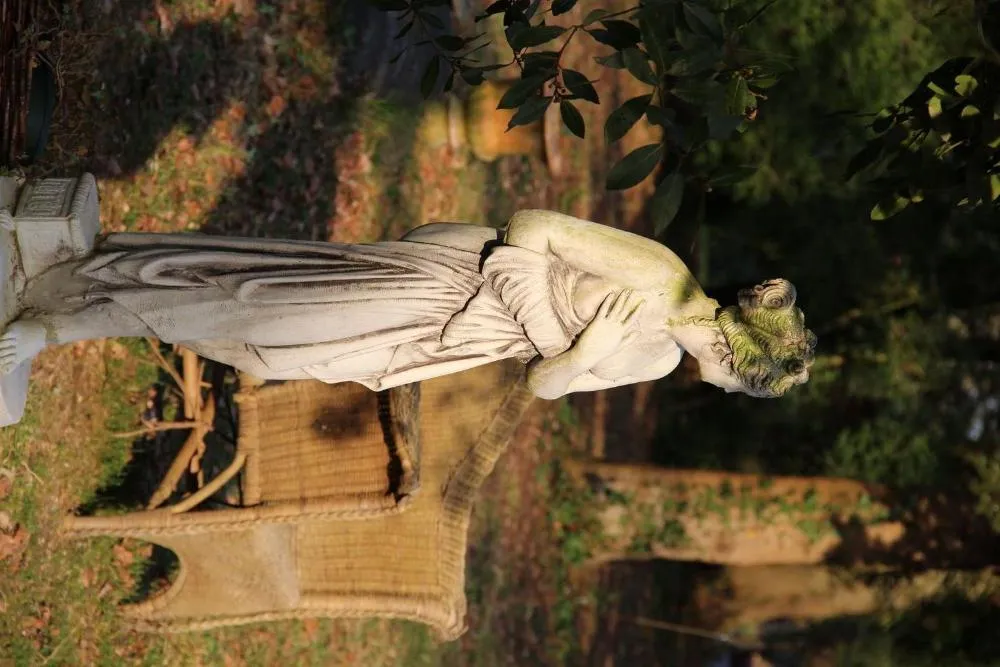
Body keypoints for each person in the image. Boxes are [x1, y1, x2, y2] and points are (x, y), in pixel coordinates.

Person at [0, 209, 816, 399]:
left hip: (450, 336)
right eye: (747, 386)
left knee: (265, 344)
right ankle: (72, 309)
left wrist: (565, 354)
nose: (729, 393)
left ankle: (86, 306)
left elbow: (544, 384)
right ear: (740, 353)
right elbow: (529, 228)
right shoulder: (661, 276)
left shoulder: (656, 355)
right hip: (445, 283)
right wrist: (559, 342)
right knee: (263, 298)